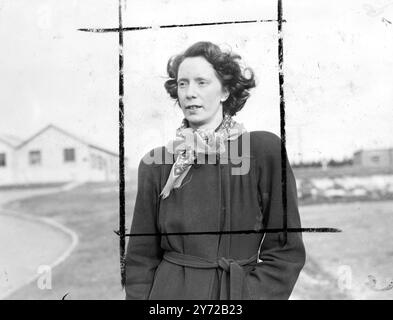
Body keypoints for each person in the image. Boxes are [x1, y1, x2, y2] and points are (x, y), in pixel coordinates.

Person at [125, 41, 305, 300]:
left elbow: (286, 251)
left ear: (225, 91)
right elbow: (140, 259)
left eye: (201, 82)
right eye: (182, 83)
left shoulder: (262, 151)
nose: (189, 93)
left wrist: (247, 296)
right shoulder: (157, 163)